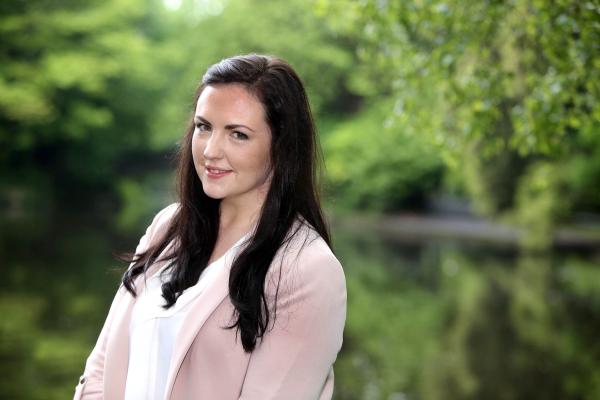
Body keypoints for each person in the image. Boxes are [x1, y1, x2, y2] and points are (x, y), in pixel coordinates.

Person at [74, 54, 347, 400]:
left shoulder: (307, 271)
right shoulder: (167, 228)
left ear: (282, 147)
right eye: (204, 127)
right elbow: (99, 369)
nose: (211, 151)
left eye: (238, 134)